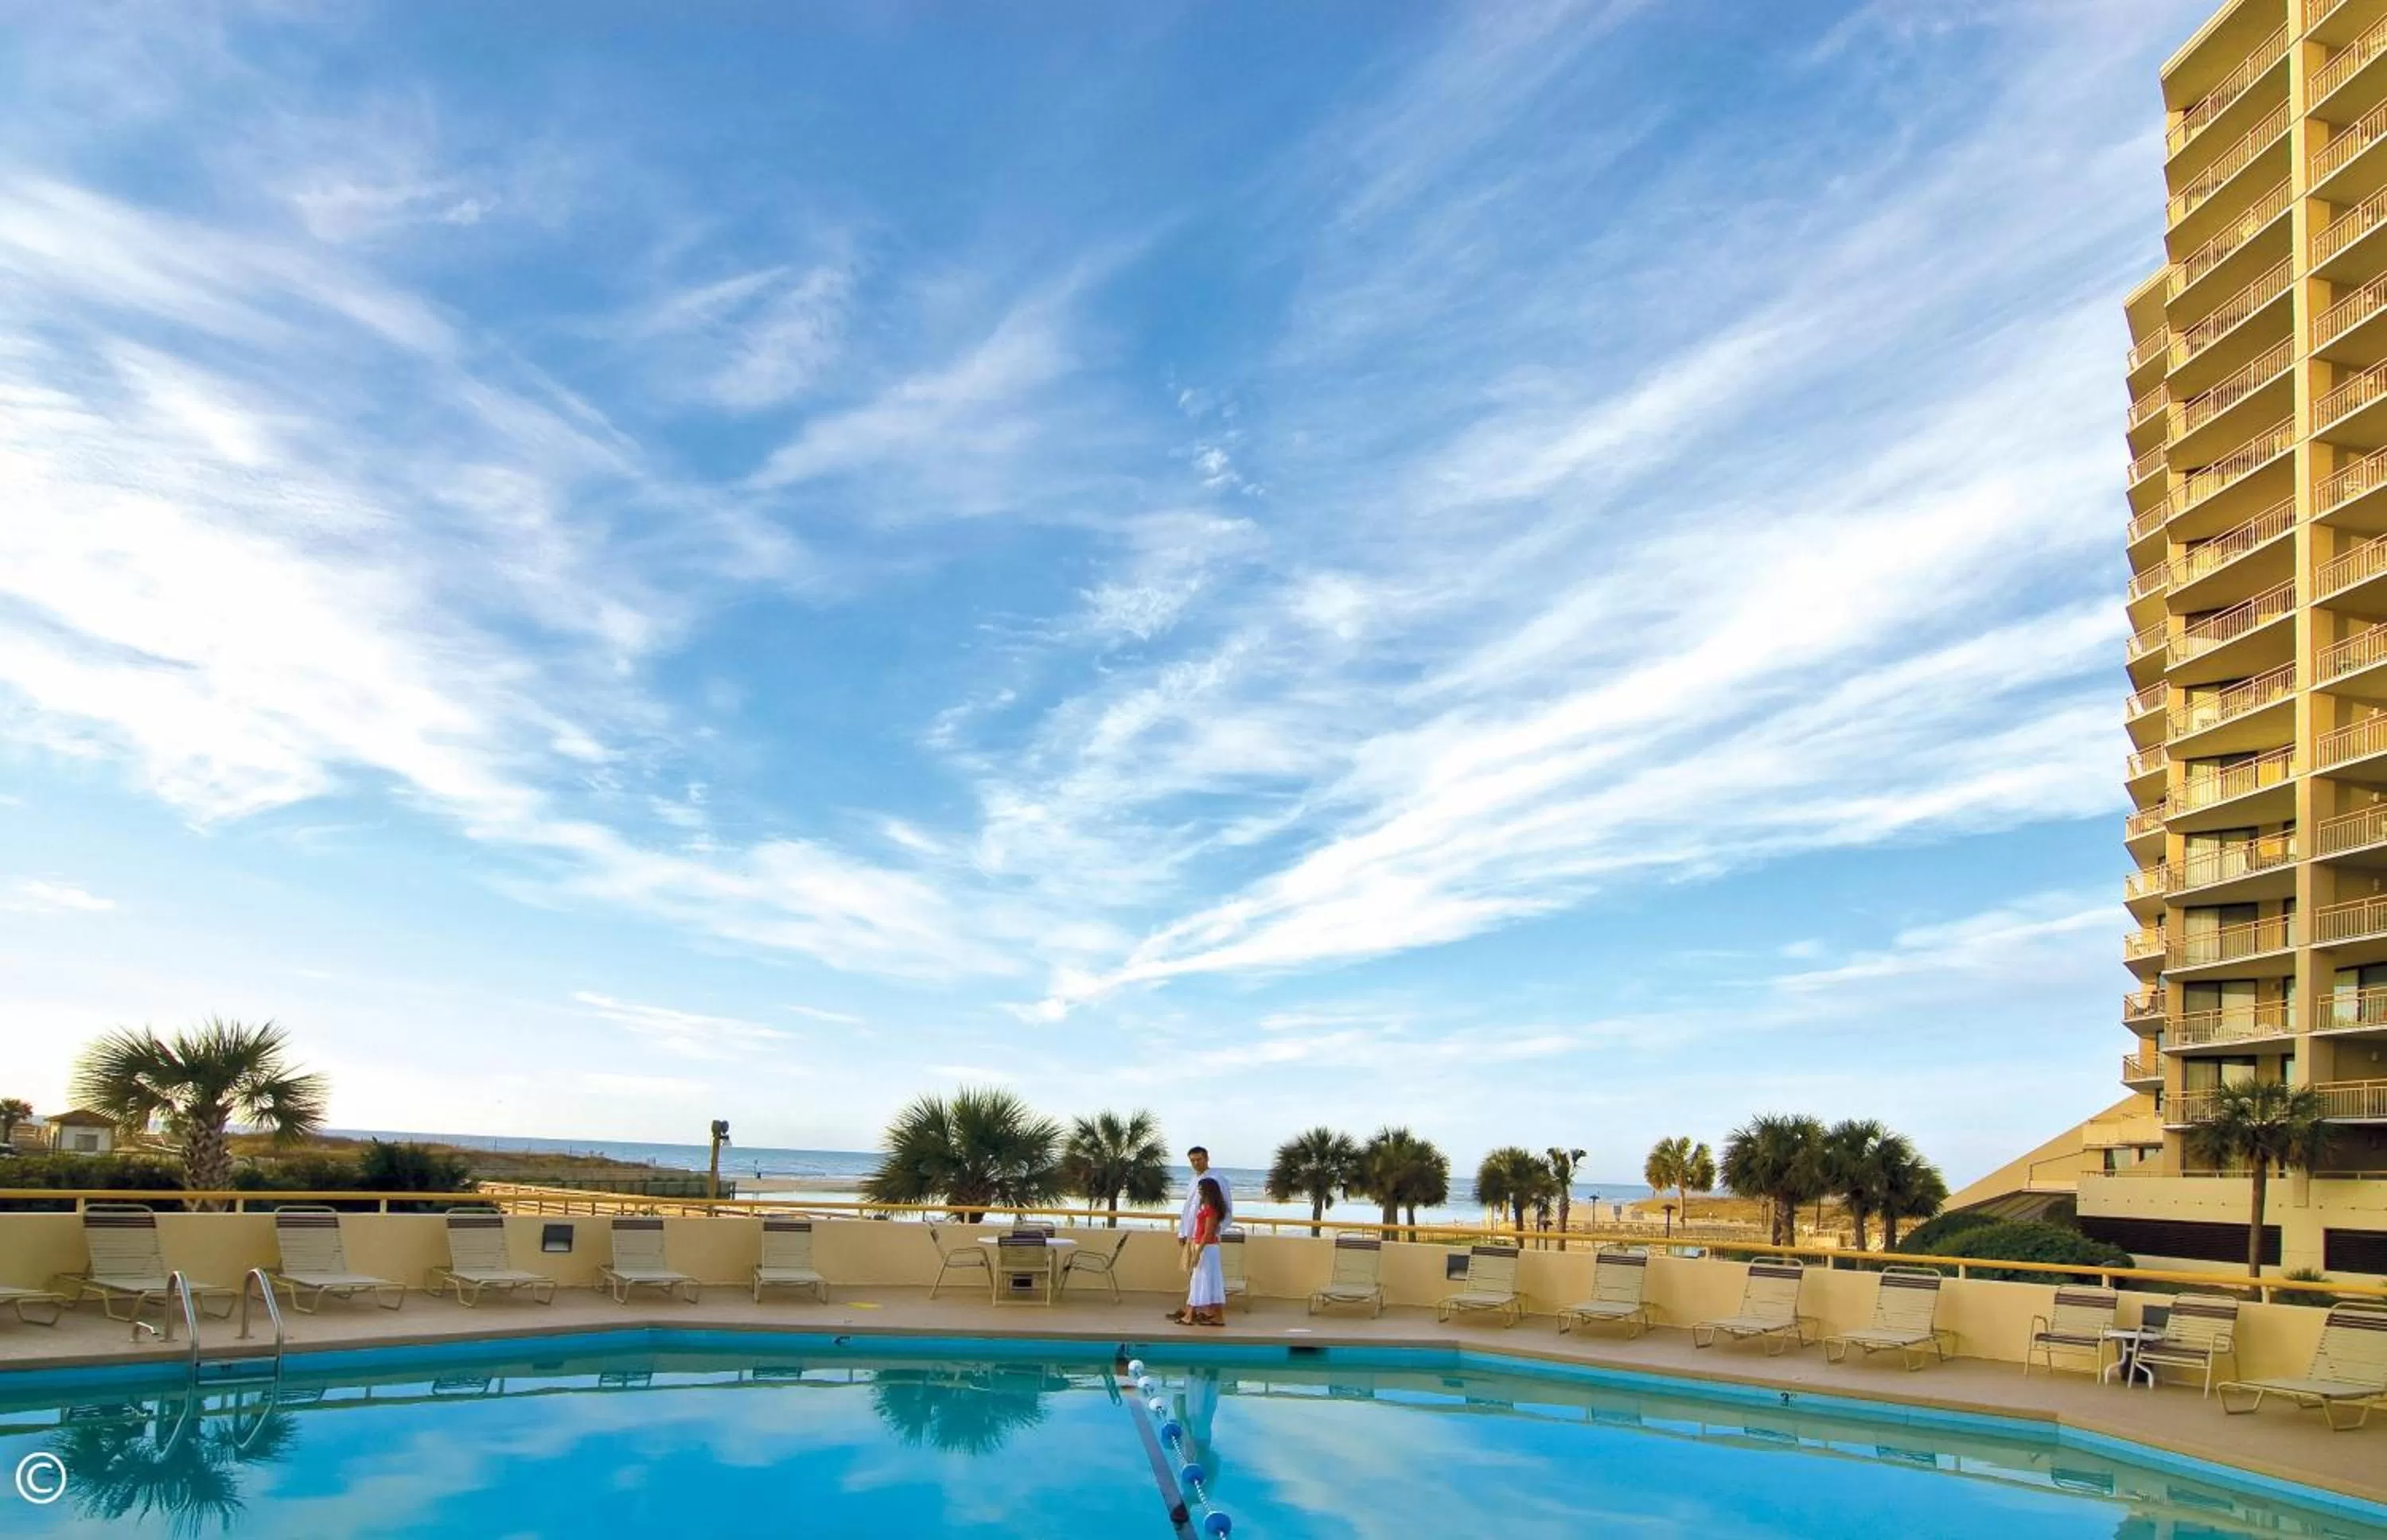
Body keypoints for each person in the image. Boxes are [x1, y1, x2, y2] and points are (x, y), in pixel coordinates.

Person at [1170, 1176, 1229, 1327]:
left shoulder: (1211, 1210)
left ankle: (1189, 1316)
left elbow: (1208, 1233)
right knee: (1210, 1281)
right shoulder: (1209, 1208)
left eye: (1201, 1190)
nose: (1200, 1193)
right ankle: (1218, 1317)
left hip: (1206, 1249)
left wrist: (1197, 1253)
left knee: (1198, 1281)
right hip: (1207, 1248)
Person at [1175, 1145, 1232, 1256]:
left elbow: (1226, 1207)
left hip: (1206, 1237)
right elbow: (1188, 1208)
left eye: (1199, 1159)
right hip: (1191, 1235)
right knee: (1193, 1270)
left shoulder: (1217, 1179)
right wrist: (1182, 1232)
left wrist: (1215, 1232)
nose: (1196, 1163)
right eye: (1193, 1161)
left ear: (1206, 1159)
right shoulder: (1193, 1181)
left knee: (1204, 1269)